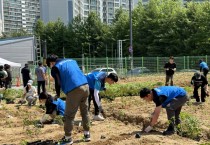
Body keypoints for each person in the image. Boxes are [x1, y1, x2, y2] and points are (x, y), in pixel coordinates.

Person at [46, 54, 90, 144]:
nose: (51, 67)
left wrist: (57, 95)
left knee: (69, 116)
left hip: (74, 89)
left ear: (51, 63)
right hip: (86, 86)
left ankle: (68, 138)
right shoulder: (71, 60)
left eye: (49, 65)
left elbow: (57, 82)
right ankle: (87, 134)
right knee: (85, 112)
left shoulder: (55, 67)